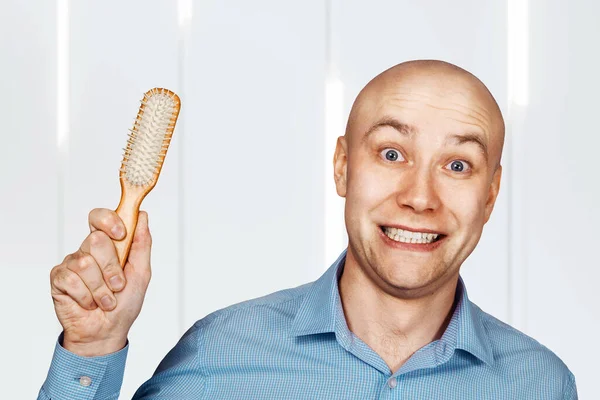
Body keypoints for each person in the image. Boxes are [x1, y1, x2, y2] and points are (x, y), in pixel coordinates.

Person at [38, 60, 577, 399]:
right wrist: (93, 347)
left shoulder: (541, 385)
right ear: (343, 167)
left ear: (490, 194)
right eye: (392, 153)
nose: (419, 196)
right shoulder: (218, 356)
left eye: (457, 165)